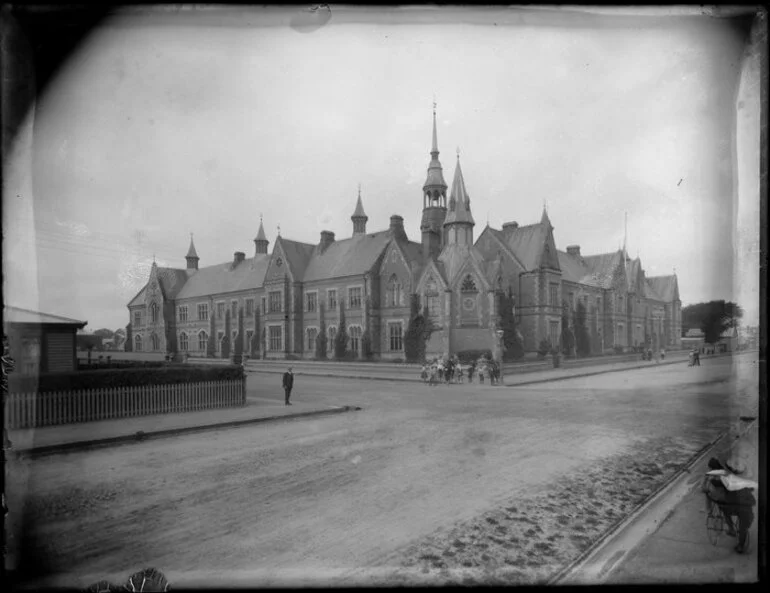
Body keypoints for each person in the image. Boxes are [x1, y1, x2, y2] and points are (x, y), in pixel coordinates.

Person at [702, 457, 757, 554]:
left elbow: (714, 485)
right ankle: (740, 544)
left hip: (732, 505)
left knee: (725, 510)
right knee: (743, 526)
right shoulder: (746, 480)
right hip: (746, 507)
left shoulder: (724, 479)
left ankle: (731, 529)